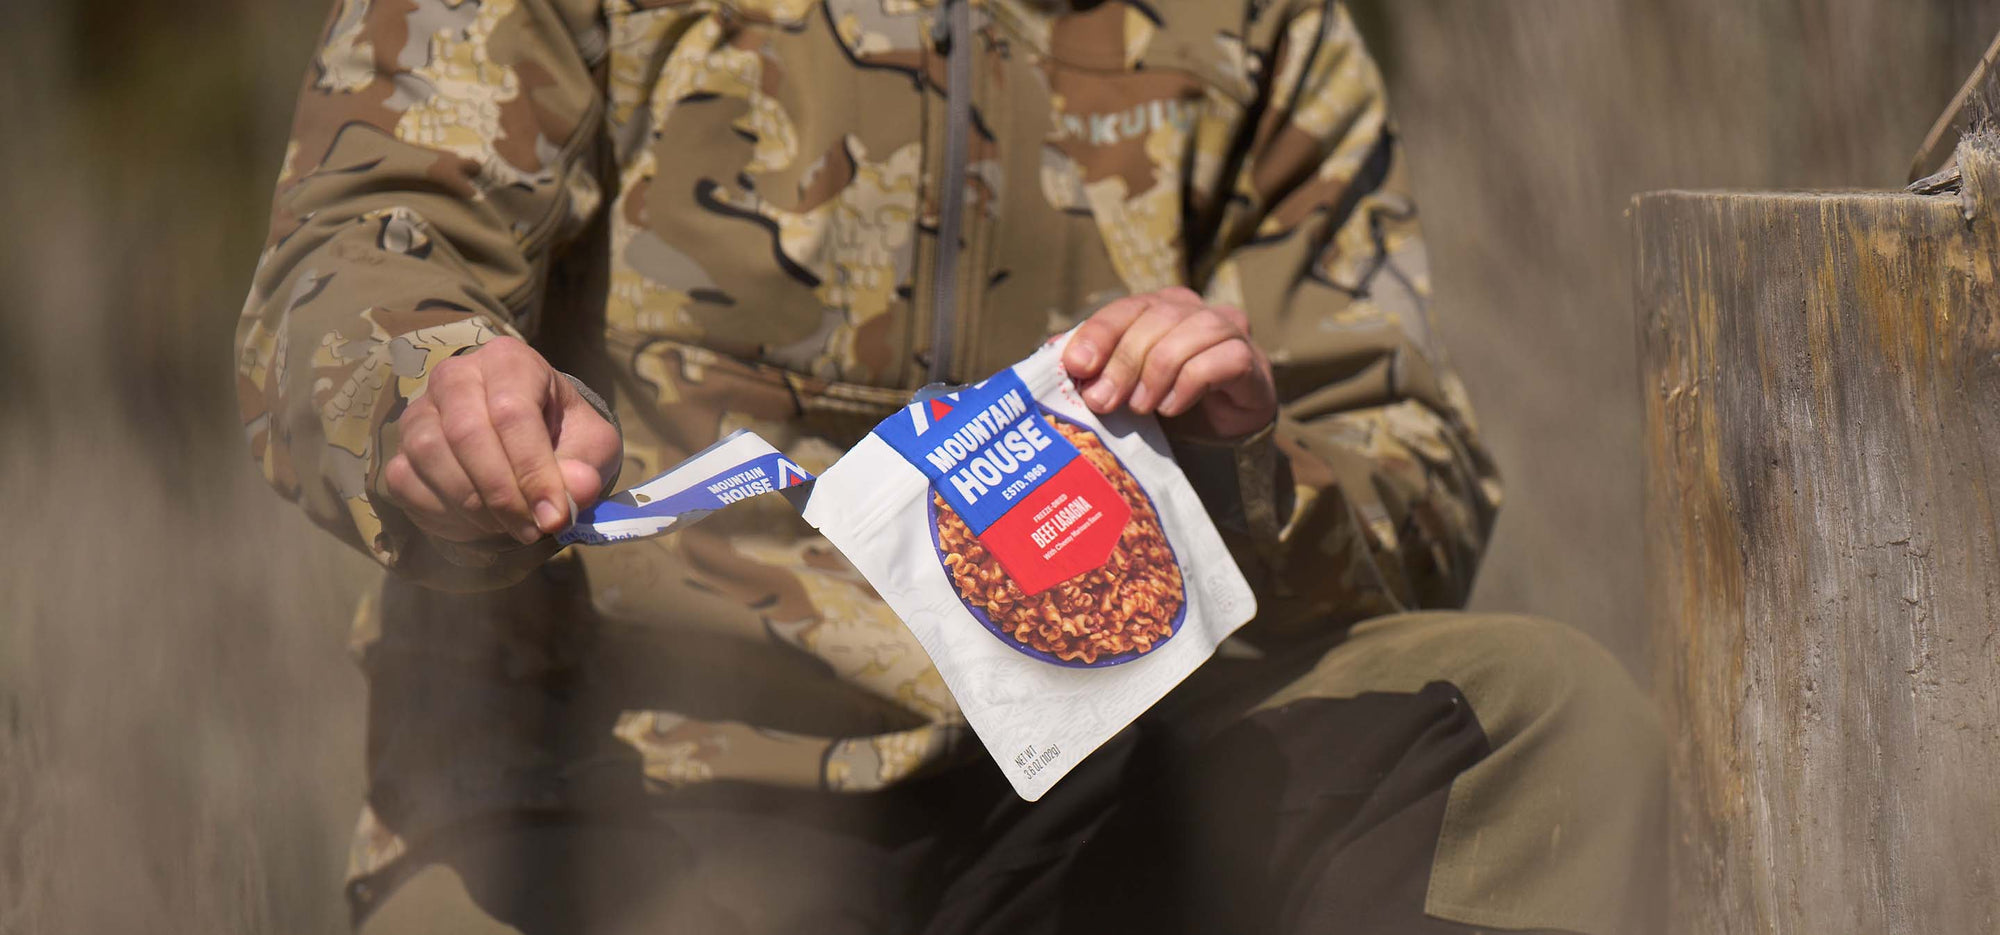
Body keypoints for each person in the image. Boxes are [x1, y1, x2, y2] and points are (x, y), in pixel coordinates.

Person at [237, 0, 1664, 931]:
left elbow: (1410, 459)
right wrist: (435, 394)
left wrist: (1240, 467)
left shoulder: (1260, 26)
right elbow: (356, 253)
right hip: (615, 789)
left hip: (1086, 786)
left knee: (1533, 722)